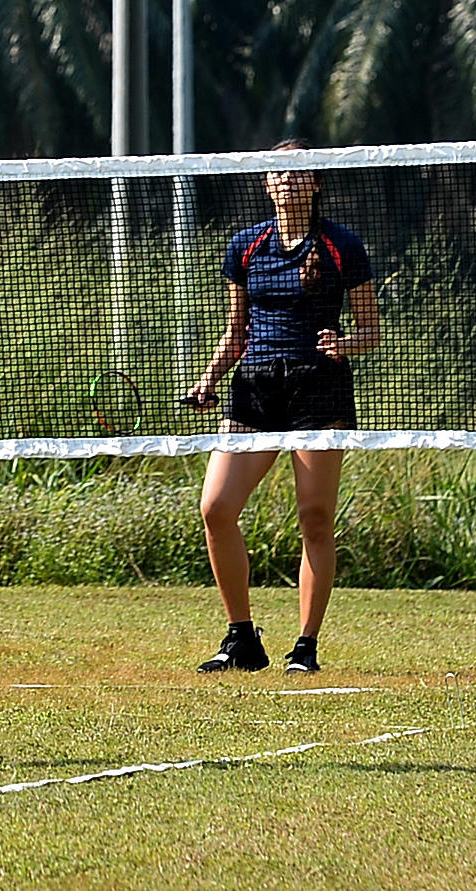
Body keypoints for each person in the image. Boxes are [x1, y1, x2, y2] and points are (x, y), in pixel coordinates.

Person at [181, 156, 380, 675]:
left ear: (314, 183)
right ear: (267, 185)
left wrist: (346, 344)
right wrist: (208, 379)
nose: (286, 180)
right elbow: (237, 328)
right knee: (216, 508)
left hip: (319, 389)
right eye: (277, 172)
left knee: (315, 518)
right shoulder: (245, 245)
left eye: (297, 172)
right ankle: (241, 638)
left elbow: (371, 333)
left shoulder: (342, 246)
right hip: (255, 387)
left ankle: (306, 646)